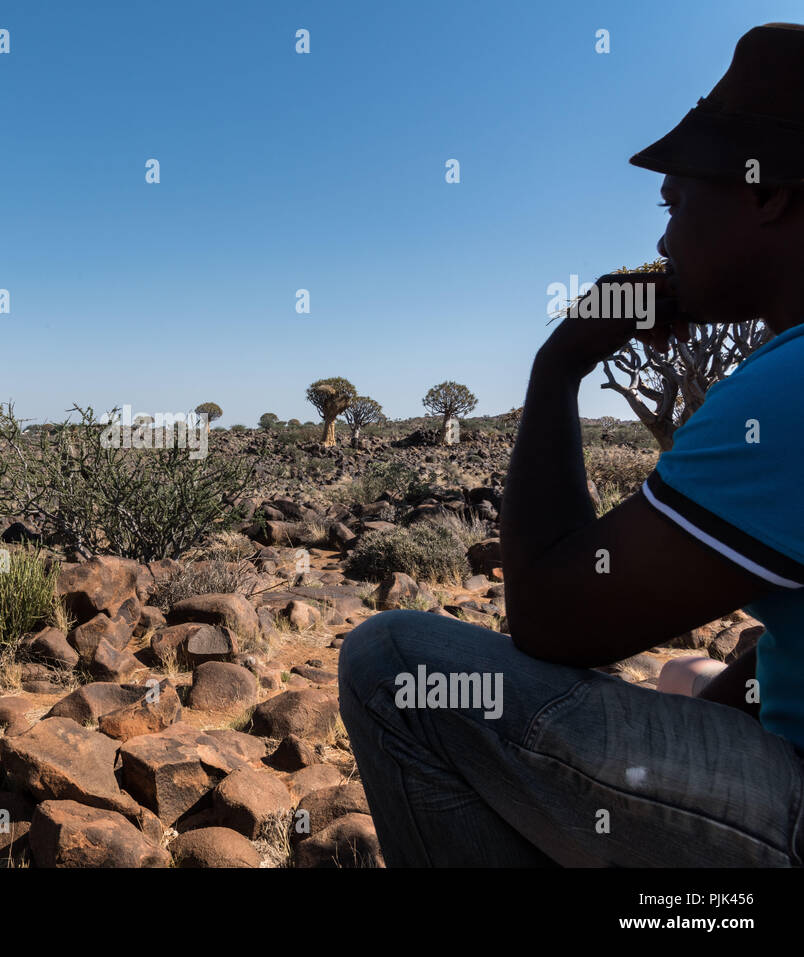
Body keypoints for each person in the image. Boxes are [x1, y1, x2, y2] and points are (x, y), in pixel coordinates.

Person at [338, 22, 804, 866]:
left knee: (393, 664)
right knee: (689, 676)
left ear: (765, 191)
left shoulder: (791, 388)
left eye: (676, 203)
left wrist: (561, 363)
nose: (663, 242)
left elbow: (552, 616)